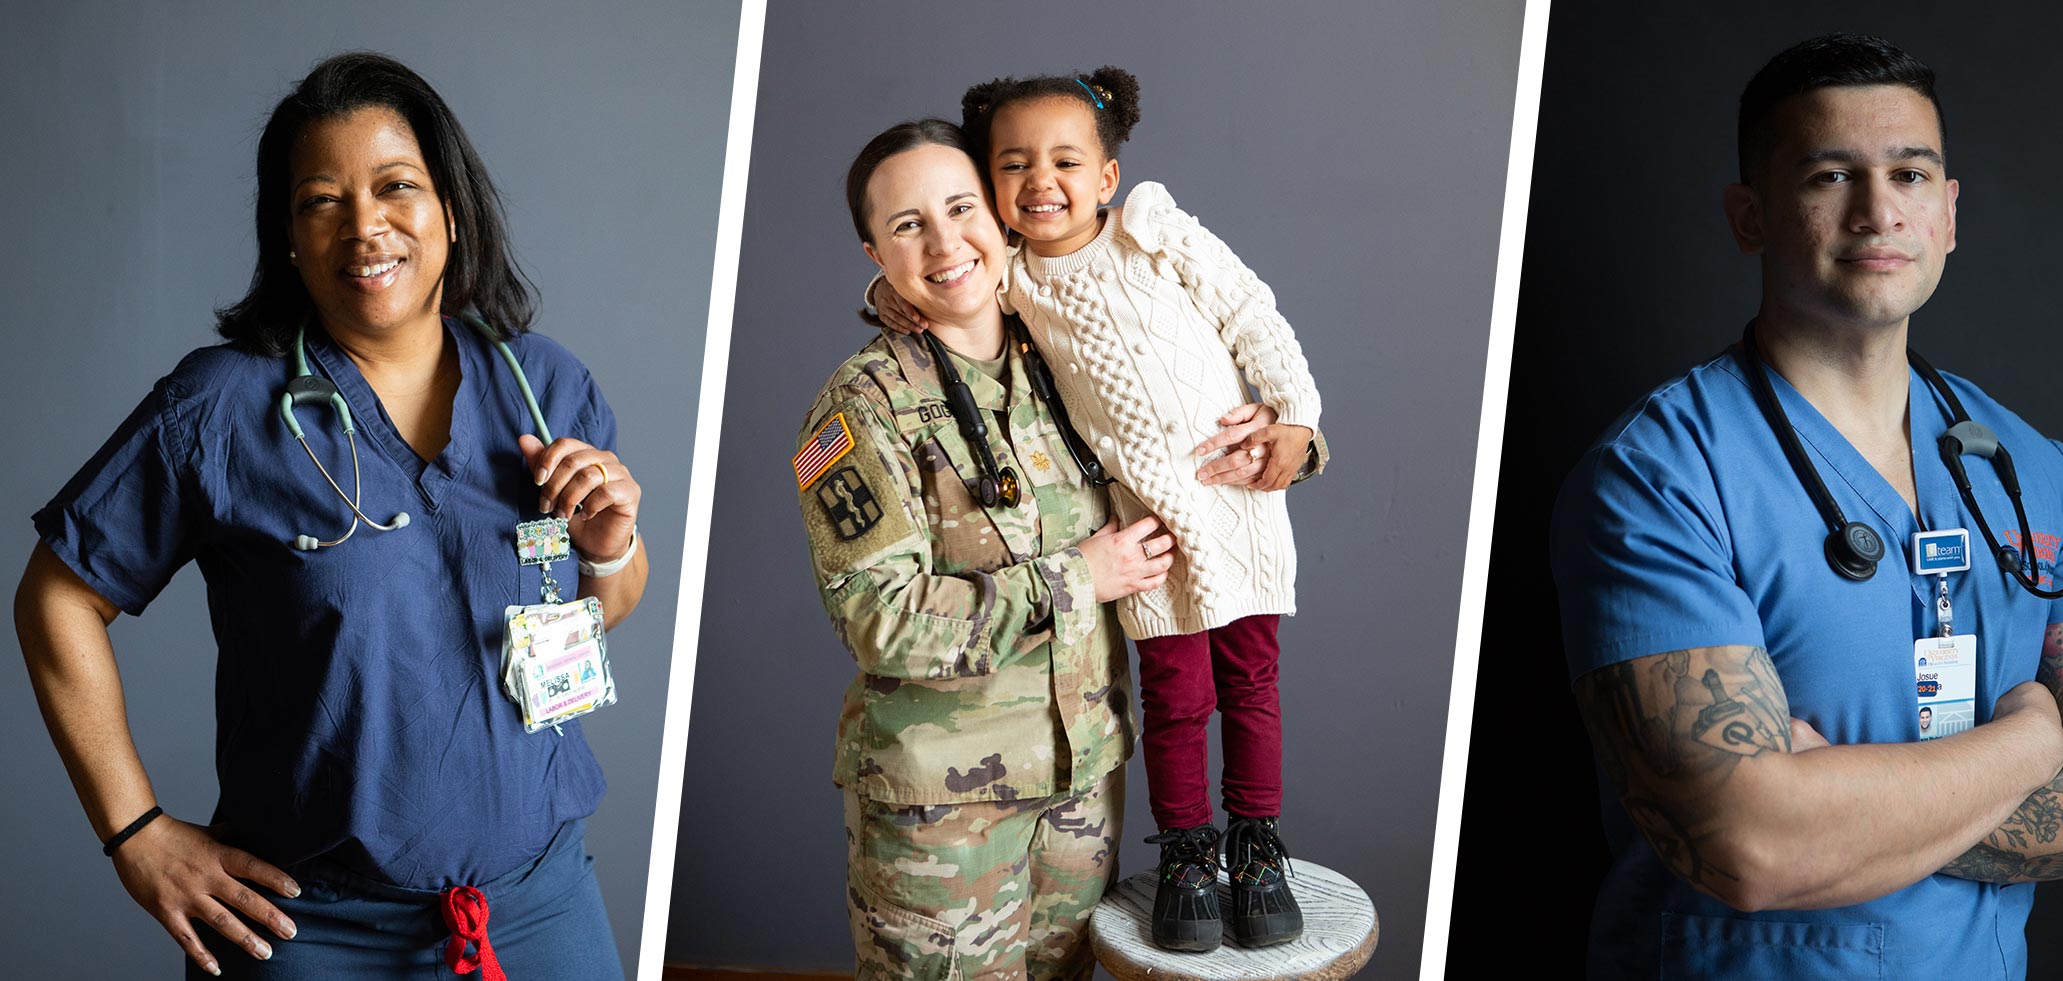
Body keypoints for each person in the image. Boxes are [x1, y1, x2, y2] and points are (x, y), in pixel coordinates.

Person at [17, 53, 646, 979]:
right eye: (322, 200)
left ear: (451, 210)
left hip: (540, 908)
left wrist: (610, 545)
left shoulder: (544, 384)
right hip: (311, 933)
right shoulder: (220, 410)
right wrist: (137, 834)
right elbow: (56, 599)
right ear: (288, 237)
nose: (366, 226)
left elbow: (605, 602)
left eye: (398, 186)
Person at [1552, 34, 2063, 979]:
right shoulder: (1660, 476)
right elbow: (1753, 845)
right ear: (1750, 216)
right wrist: (2032, 741)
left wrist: (1834, 809)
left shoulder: (2034, 470)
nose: (1879, 212)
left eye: (1911, 173)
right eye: (1831, 175)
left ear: (1949, 213)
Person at [871, 66, 1327, 953]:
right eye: (1014, 164)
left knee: (1253, 685)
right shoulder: (1011, 277)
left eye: (1066, 161)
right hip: (1148, 528)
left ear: (1106, 177)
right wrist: (889, 295)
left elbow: (1251, 313)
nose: (1042, 180)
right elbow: (940, 281)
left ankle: (1258, 844)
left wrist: (1295, 413)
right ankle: (1190, 852)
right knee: (1177, 697)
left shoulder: (1153, 229)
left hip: (1237, 505)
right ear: (992, 186)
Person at [803, 118, 1192, 980]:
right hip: (944, 812)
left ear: (1000, 214)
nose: (945, 241)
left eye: (961, 206)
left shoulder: (1066, 352)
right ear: (874, 249)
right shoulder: (859, 408)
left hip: (1081, 780)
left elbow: (1190, 389)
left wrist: (1289, 431)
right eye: (908, 225)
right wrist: (1076, 578)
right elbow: (880, 618)